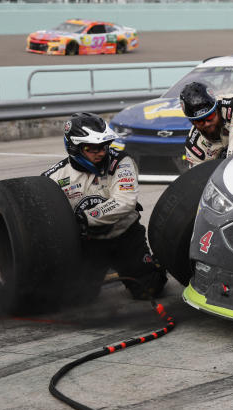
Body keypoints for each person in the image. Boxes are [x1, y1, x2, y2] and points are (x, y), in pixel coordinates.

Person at [41, 112, 166, 300]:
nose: (101, 152)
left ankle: (150, 264)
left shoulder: (122, 161)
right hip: (89, 245)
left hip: (125, 235)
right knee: (79, 299)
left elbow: (125, 201)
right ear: (75, 147)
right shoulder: (53, 178)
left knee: (150, 290)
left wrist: (85, 218)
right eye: (92, 148)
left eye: (103, 146)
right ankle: (104, 270)